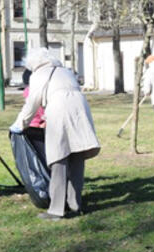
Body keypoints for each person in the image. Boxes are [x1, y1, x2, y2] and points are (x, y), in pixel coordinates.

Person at [10, 47, 100, 221]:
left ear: (33, 64)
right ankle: (75, 205)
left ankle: (56, 210)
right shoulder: (65, 71)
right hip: (80, 110)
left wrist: (19, 124)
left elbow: (32, 103)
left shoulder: (39, 74)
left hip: (60, 112)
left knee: (58, 160)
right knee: (77, 157)